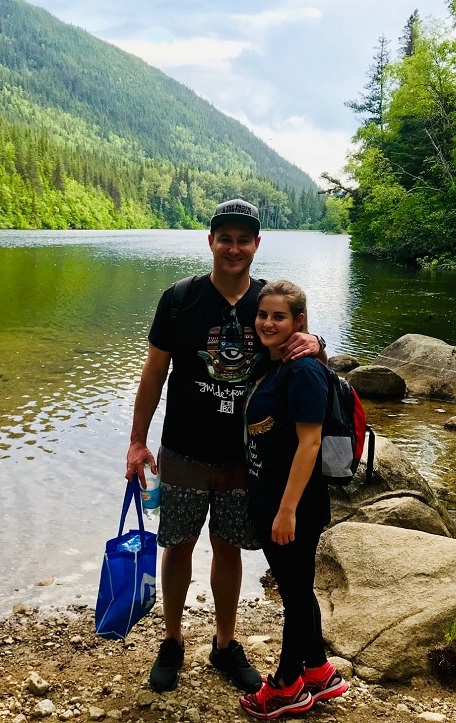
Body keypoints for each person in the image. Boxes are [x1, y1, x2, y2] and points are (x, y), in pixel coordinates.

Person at [125, 199, 325, 694]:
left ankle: (224, 643)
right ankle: (171, 641)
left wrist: (316, 339)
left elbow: (297, 345)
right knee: (178, 545)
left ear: (257, 244)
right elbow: (154, 371)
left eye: (243, 239)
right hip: (183, 449)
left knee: (228, 547)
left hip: (245, 458)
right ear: (210, 241)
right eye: (225, 238)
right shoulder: (179, 299)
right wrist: (136, 441)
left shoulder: (266, 303)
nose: (233, 248)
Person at [238, 280, 349, 719]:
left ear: (298, 322)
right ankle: (318, 671)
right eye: (263, 314)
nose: (267, 322)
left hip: (293, 506)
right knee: (299, 588)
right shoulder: (273, 364)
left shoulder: (302, 371)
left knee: (295, 594)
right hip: (274, 499)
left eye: (279, 316)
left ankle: (287, 686)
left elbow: (309, 444)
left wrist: (286, 511)